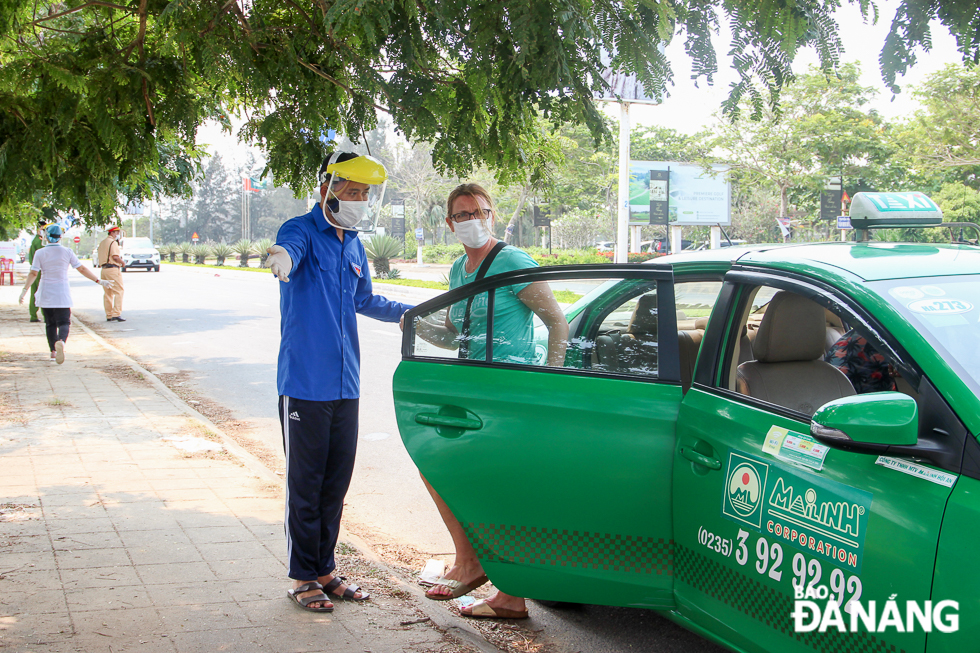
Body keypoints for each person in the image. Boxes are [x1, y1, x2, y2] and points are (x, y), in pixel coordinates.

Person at [266, 152, 413, 612]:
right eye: (352, 190)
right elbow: (288, 250)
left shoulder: (353, 244)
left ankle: (326, 569)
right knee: (304, 483)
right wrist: (282, 258)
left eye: (365, 193)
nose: (359, 200)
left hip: (346, 384)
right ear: (328, 188)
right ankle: (302, 575)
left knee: (335, 482)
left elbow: (365, 299)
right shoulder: (301, 230)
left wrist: (412, 314)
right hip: (305, 385)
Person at [416, 183, 568, 620]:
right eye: (462, 214)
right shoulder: (459, 269)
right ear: (450, 223)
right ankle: (490, 578)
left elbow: (556, 324)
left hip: (510, 391)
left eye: (480, 211)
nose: (473, 220)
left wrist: (548, 384)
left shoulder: (512, 261)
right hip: (472, 388)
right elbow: (455, 335)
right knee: (441, 467)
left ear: (492, 216)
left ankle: (496, 582)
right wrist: (411, 323)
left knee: (498, 485)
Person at [19, 225, 114, 363]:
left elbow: (33, 273)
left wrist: (24, 290)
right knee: (64, 322)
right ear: (60, 237)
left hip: (46, 292)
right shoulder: (67, 252)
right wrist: (98, 281)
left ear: (46, 236)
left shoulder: (39, 253)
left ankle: (53, 351)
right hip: (61, 291)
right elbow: (81, 268)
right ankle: (62, 341)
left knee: (50, 323)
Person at [97, 225, 126, 322]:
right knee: (119, 291)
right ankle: (116, 313)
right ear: (112, 233)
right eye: (116, 232)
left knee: (108, 293)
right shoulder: (113, 242)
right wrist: (122, 262)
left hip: (104, 269)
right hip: (112, 269)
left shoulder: (102, 242)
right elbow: (115, 257)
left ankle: (109, 314)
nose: (118, 234)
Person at [27, 221, 46, 323]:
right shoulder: (41, 242)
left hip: (35, 269)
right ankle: (45, 314)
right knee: (43, 292)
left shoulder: (34, 241)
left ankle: (33, 315)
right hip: (41, 270)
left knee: (34, 292)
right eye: (42, 229)